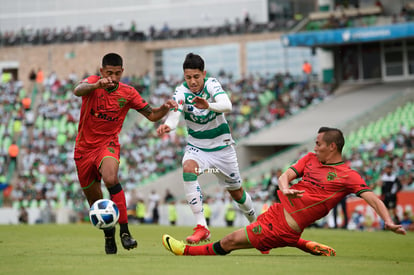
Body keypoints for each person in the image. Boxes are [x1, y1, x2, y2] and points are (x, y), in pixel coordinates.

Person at [162, 127, 406, 256]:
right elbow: (284, 176)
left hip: (282, 227)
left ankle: (186, 252)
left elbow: (372, 198)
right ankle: (303, 244)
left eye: (319, 143)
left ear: (332, 147)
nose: (315, 147)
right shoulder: (310, 158)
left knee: (230, 241)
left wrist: (387, 221)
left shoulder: (347, 176)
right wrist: (286, 188)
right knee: (252, 239)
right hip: (277, 213)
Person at [73, 52, 177, 254]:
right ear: (102, 71)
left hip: (107, 144)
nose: (112, 77)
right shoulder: (93, 83)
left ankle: (125, 232)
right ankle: (109, 235)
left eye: (117, 73)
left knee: (111, 178)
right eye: (108, 73)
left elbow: (152, 115)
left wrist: (164, 108)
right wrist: (96, 86)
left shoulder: (128, 93)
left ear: (122, 72)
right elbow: (77, 90)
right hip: (83, 150)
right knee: (95, 202)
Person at [157, 53, 257, 244]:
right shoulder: (181, 92)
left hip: (223, 149)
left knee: (237, 193)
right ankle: (202, 227)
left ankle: (256, 226)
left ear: (203, 74)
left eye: (196, 77)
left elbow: (227, 105)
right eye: (188, 77)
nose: (192, 81)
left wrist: (208, 105)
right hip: (197, 148)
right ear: (184, 77)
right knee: (188, 169)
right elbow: (175, 112)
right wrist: (169, 125)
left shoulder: (212, 84)